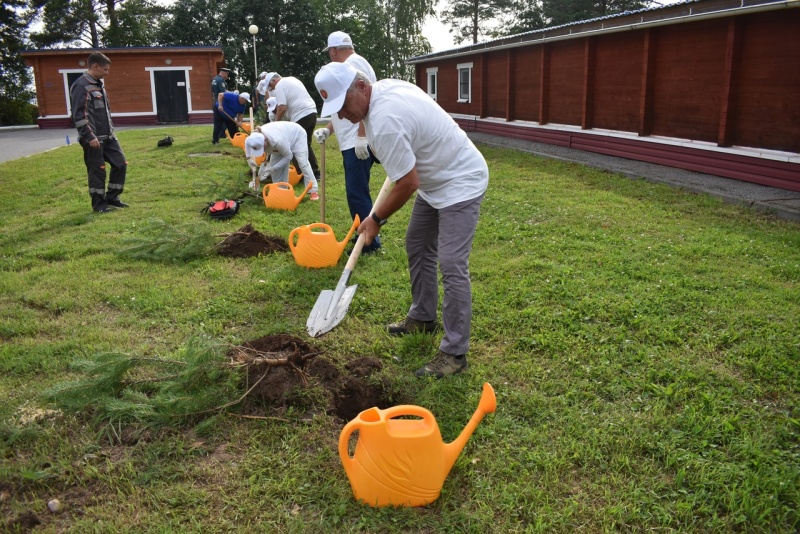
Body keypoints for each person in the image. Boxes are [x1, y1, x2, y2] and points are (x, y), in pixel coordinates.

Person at [314, 62, 489, 379]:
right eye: (334, 109)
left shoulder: (385, 122)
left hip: (460, 181)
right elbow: (411, 175)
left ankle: (454, 353)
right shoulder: (382, 91)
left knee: (451, 263)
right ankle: (423, 317)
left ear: (363, 87)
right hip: (435, 180)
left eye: (342, 106)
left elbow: (407, 183)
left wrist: (376, 219)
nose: (340, 116)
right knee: (417, 244)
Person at [314, 31, 381, 254]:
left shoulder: (354, 63)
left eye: (330, 54)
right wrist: (328, 130)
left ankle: (370, 242)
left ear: (333, 50)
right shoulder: (342, 71)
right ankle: (364, 235)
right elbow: (340, 108)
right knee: (355, 191)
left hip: (357, 141)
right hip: (350, 140)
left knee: (356, 191)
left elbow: (366, 101)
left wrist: (362, 135)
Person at [70, 51, 128, 213]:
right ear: (95, 66)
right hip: (93, 139)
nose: (107, 73)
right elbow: (79, 115)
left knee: (120, 164)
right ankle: (99, 205)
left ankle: (113, 198)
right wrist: (89, 136)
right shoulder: (81, 86)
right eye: (105, 70)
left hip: (108, 137)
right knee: (98, 171)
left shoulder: (98, 85)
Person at [263, 72, 320, 183]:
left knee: (294, 146)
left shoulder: (280, 85)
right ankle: (315, 173)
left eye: (271, 86)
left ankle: (302, 175)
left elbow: (282, 107)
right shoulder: (292, 79)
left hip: (301, 115)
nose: (272, 89)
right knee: (306, 144)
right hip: (312, 112)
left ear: (274, 81)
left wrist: (275, 125)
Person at [245, 122, 320, 201]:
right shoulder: (253, 137)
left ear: (266, 140)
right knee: (275, 167)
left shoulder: (277, 141)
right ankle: (281, 190)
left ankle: (313, 190)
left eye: (263, 148)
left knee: (303, 163)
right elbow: (247, 143)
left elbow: (289, 156)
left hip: (296, 136)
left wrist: (273, 168)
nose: (263, 150)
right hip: (281, 141)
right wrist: (249, 159)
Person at [211, 67, 232, 144]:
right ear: (223, 73)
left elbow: (213, 92)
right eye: (227, 74)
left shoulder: (214, 79)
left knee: (218, 121)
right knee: (223, 119)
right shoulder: (221, 80)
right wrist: (232, 93)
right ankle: (224, 134)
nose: (227, 76)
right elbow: (223, 92)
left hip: (216, 100)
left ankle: (218, 137)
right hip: (221, 102)